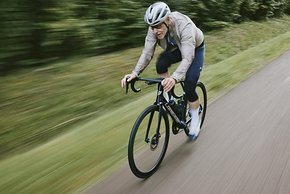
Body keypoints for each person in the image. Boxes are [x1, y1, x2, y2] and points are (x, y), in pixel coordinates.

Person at [121, 2, 205, 140]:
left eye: (158, 26)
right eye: (152, 27)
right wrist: (135, 73)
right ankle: (170, 100)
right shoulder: (154, 28)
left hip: (194, 49)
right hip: (177, 49)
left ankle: (195, 117)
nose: (155, 31)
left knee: (190, 84)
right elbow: (147, 53)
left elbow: (188, 57)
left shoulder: (184, 25)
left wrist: (174, 78)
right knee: (161, 63)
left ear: (167, 19)